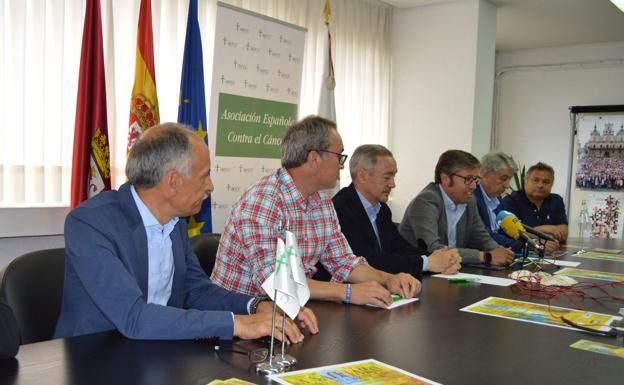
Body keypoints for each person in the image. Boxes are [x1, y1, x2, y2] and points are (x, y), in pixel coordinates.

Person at [55, 123, 317, 342]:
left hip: (158, 351)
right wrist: (239, 324)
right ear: (172, 182)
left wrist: (255, 306)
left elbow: (196, 291)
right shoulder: (91, 224)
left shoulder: (175, 220)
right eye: (204, 176)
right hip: (95, 359)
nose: (211, 186)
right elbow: (134, 317)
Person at [211, 116, 420, 308]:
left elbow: (344, 262)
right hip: (240, 315)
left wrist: (388, 279)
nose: (341, 166)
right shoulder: (264, 201)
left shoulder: (322, 201)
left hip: (291, 312)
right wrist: (348, 292)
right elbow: (277, 281)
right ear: (314, 158)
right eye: (339, 156)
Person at [327, 144, 461, 279]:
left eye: (394, 176)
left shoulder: (382, 209)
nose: (393, 184)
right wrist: (427, 263)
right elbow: (369, 262)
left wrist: (440, 258)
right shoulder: (341, 209)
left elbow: (401, 248)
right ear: (362, 176)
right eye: (386, 177)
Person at [399, 150, 515, 267]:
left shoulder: (469, 201)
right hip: (414, 275)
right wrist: (486, 256)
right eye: (468, 179)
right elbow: (434, 250)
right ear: (446, 179)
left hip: (452, 271)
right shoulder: (426, 201)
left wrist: (501, 252)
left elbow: (481, 237)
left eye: (475, 180)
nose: (474, 186)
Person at [500, 162, 568, 253]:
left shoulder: (556, 200)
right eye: (535, 180)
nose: (540, 185)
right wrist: (550, 229)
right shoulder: (511, 201)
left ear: (552, 184)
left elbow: (563, 232)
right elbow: (518, 233)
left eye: (546, 182)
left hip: (551, 251)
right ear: (526, 181)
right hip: (520, 252)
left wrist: (534, 233)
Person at [474, 152, 523, 252]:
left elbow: (503, 231)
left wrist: (532, 243)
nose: (507, 185)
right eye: (503, 178)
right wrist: (522, 246)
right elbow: (485, 237)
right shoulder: (472, 198)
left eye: (509, 179)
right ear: (485, 173)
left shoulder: (498, 199)